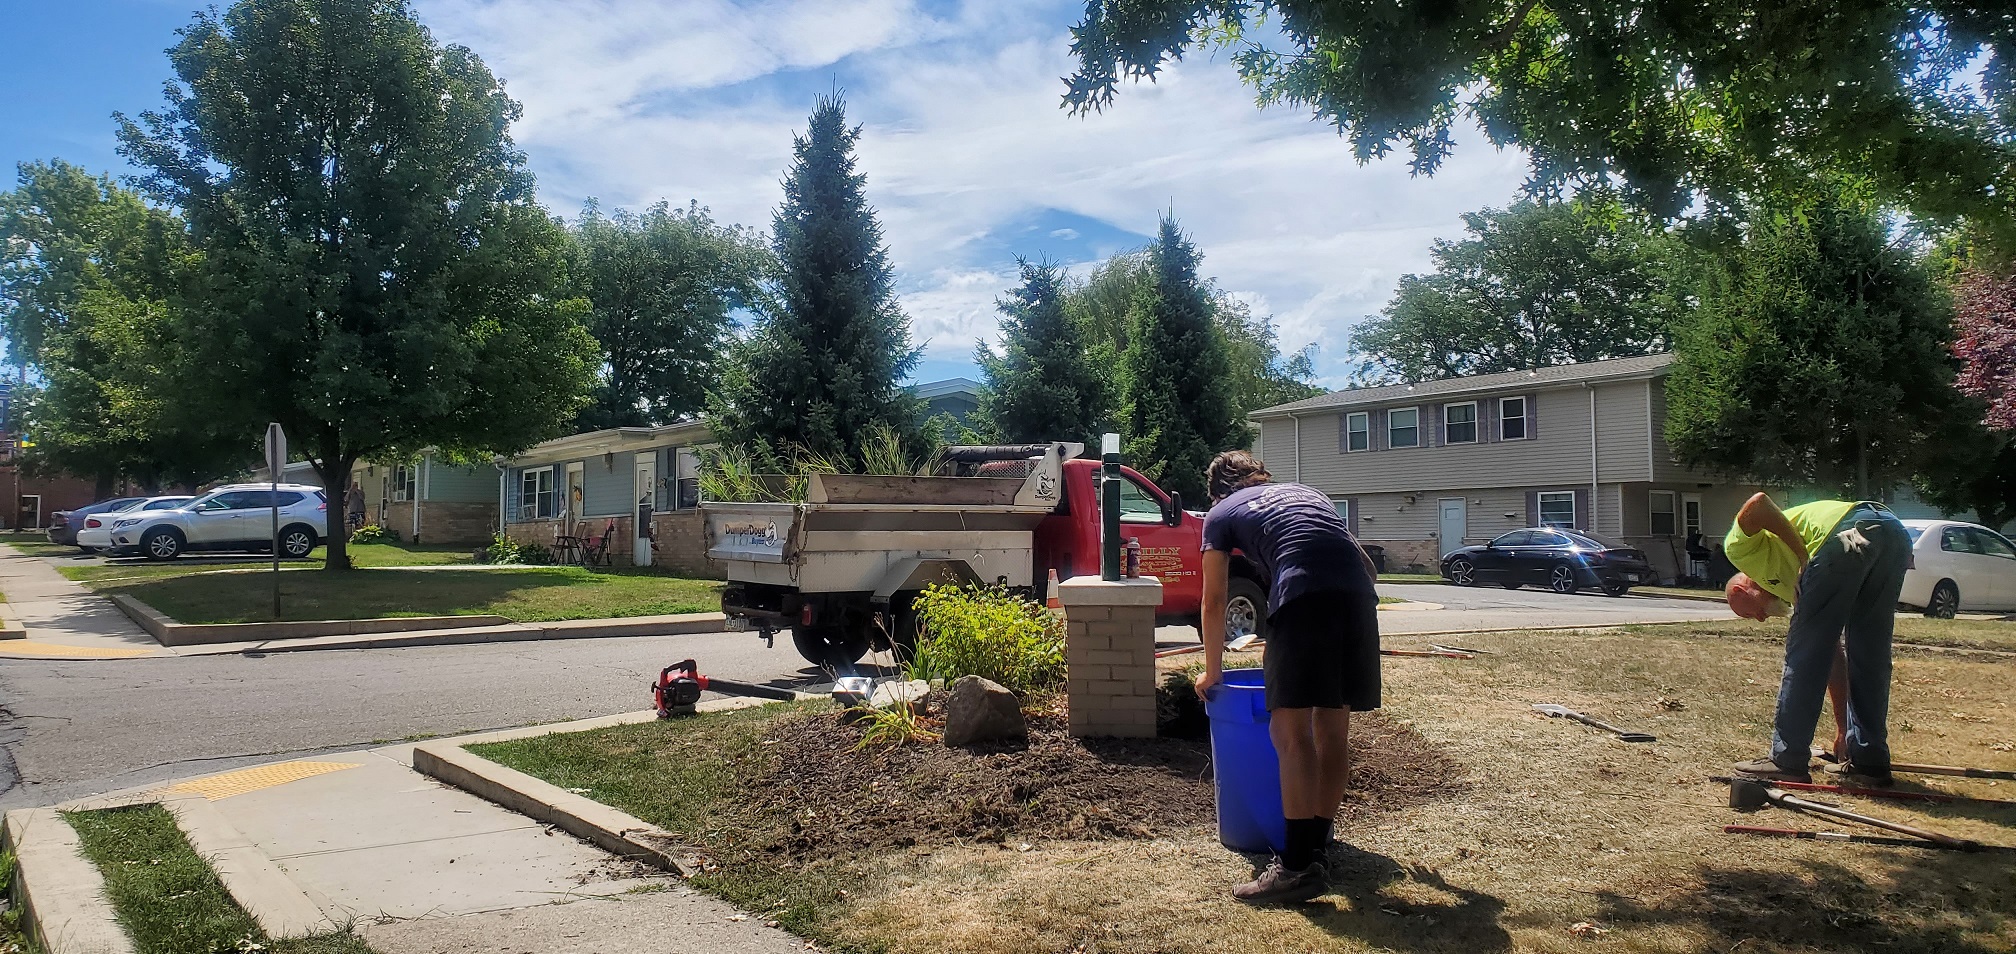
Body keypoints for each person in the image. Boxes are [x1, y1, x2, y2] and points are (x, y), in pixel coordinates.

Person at [1193, 450, 1380, 905]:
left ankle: (1295, 868)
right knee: (1333, 731)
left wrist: (1211, 670)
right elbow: (1367, 566)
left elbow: (1215, 601)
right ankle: (1316, 847)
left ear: (1217, 489)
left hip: (1301, 599)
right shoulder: (1307, 493)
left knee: (1290, 732)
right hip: (1357, 597)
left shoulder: (1219, 513)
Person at [1723, 493, 1908, 785]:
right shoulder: (1790, 586)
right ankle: (1868, 761)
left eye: (1751, 613)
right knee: (1869, 651)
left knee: (1803, 653)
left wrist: (1802, 555)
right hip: (1892, 533)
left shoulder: (1738, 549)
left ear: (1740, 591)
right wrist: (1841, 729)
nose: (1760, 619)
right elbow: (1832, 655)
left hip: (1842, 534)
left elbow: (1758, 503)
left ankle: (1787, 760)